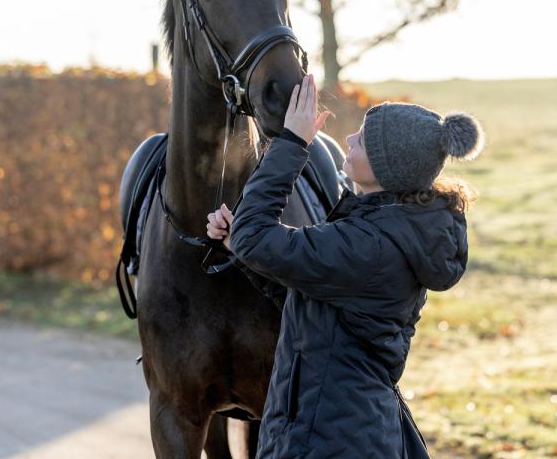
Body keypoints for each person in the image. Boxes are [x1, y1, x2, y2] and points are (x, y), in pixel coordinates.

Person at [206, 74, 484, 458]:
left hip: (332, 439)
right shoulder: (380, 229)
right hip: (331, 429)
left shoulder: (371, 245)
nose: (349, 140)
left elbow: (258, 236)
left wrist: (291, 144)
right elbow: (304, 294)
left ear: (388, 169)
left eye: (364, 139)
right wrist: (237, 244)